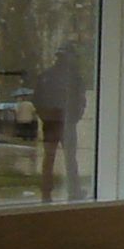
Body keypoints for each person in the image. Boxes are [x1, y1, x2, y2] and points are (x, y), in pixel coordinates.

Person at [33, 40, 89, 203]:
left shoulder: (46, 76)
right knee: (70, 158)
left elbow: (37, 100)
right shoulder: (74, 78)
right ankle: (73, 191)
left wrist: (45, 116)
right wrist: (74, 117)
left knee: (49, 157)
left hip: (51, 121)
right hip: (65, 121)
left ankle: (46, 191)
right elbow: (81, 100)